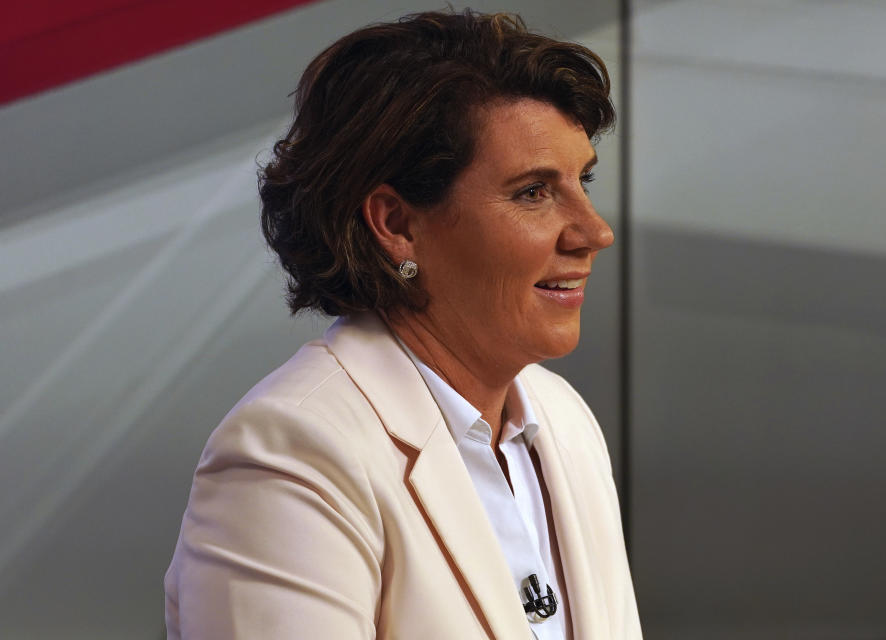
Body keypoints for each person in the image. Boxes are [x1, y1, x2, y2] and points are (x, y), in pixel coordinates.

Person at [164, 9, 641, 640]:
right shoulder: (291, 456)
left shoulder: (562, 420)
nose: (594, 232)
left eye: (582, 181)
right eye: (532, 192)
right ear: (396, 224)